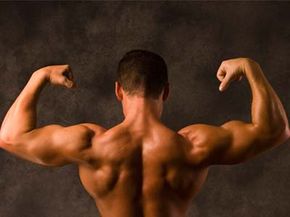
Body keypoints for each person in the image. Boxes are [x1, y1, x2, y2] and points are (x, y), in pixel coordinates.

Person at [0, 50, 289, 217]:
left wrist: (38, 77)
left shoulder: (91, 145)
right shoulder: (194, 146)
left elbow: (10, 137)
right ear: (166, 92)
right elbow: (274, 131)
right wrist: (252, 68)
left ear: (118, 91)